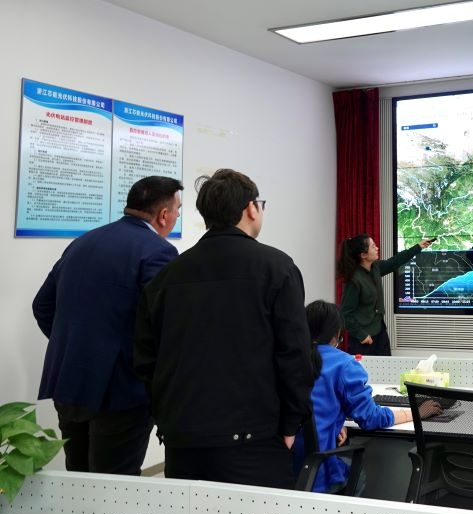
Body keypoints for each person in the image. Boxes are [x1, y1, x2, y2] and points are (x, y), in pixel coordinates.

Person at [134, 169, 312, 489]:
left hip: (183, 440)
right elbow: (294, 355)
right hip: (255, 441)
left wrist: (169, 419)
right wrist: (291, 424)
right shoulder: (277, 268)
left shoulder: (167, 276)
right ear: (251, 208)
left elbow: (147, 361)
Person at [32, 175, 183, 475]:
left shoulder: (83, 242)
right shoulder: (159, 251)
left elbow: (42, 306)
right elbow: (163, 325)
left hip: (68, 381)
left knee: (77, 477)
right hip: (121, 390)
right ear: (164, 215)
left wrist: (74, 346)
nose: (177, 216)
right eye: (178, 210)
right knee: (116, 484)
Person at [298, 300, 441, 493]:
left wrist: (336, 424)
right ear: (337, 334)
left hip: (285, 470)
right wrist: (416, 413)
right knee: (360, 477)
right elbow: (371, 418)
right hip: (320, 475)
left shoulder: (290, 360)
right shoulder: (344, 364)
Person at [338, 234, 433, 356]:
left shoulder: (375, 267)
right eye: (373, 247)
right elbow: (345, 314)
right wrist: (361, 335)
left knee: (386, 365)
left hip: (380, 331)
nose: (377, 248)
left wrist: (418, 247)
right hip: (363, 339)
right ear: (363, 255)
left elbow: (395, 261)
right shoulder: (354, 280)